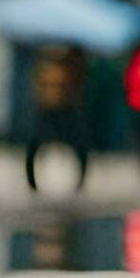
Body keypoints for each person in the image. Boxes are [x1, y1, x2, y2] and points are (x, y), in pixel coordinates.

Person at [24, 44, 90, 191]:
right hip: (48, 108)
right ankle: (31, 182)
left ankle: (80, 182)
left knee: (78, 143)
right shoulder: (43, 64)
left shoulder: (73, 61)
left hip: (66, 108)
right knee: (35, 144)